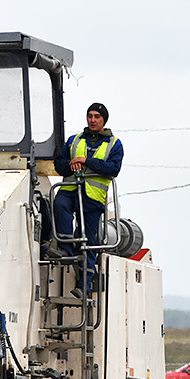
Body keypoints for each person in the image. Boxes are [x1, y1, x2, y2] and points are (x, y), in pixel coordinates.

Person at [50, 102, 124, 294]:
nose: (92, 120)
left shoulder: (114, 144)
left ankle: (84, 285)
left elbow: (113, 169)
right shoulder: (74, 140)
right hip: (70, 188)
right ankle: (65, 248)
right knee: (59, 204)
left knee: (89, 240)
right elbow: (59, 164)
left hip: (93, 196)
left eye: (96, 117)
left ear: (104, 120)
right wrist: (71, 165)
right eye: (90, 116)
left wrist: (86, 161)